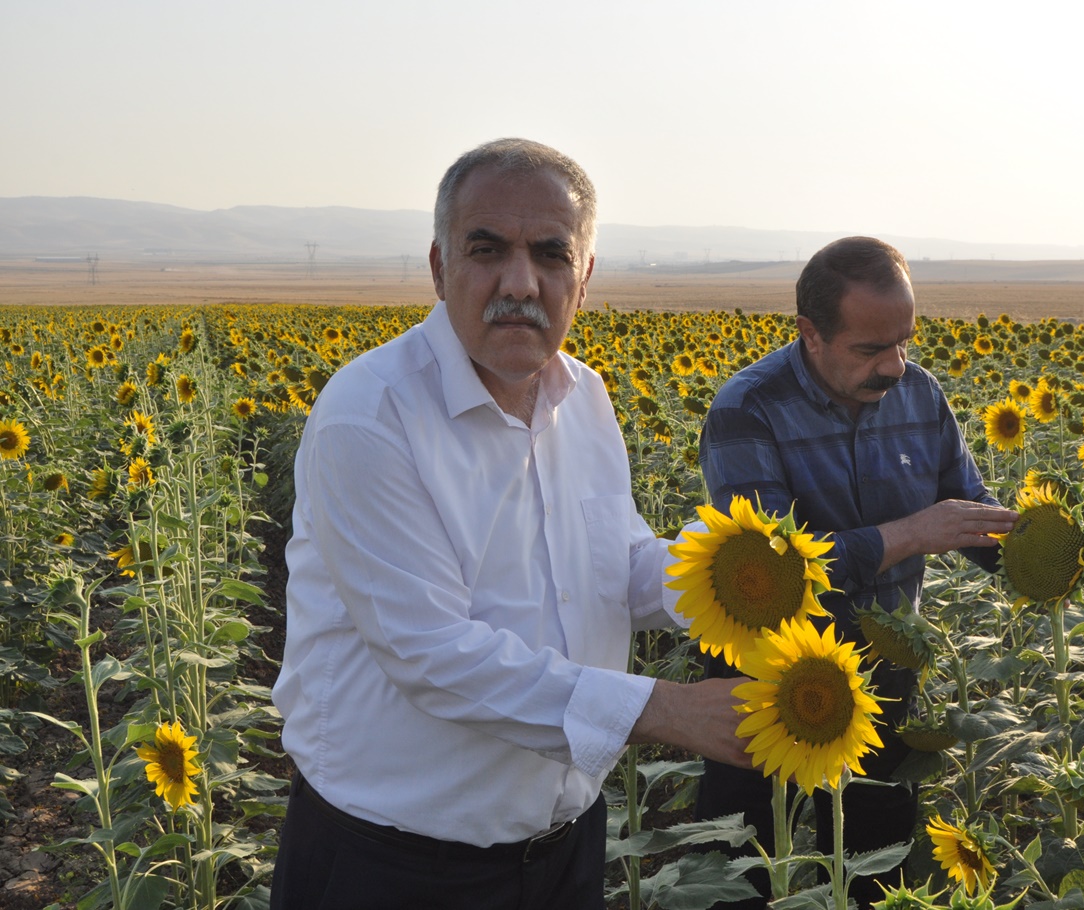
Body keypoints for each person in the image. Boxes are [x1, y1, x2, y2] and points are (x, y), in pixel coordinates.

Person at [270, 138, 751, 910]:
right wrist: (664, 708)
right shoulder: (371, 416)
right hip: (396, 869)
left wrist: (740, 582)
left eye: (551, 255)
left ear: (584, 277)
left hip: (562, 851)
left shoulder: (585, 399)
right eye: (487, 249)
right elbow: (432, 652)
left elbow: (615, 565)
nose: (519, 283)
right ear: (439, 266)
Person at [695, 235, 1018, 907]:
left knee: (879, 849)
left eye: (903, 341)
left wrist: (1026, 546)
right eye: (870, 349)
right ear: (810, 333)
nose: (895, 365)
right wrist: (907, 536)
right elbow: (769, 574)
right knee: (743, 851)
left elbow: (965, 503)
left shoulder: (920, 395)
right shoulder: (748, 409)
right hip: (768, 669)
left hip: (883, 660)